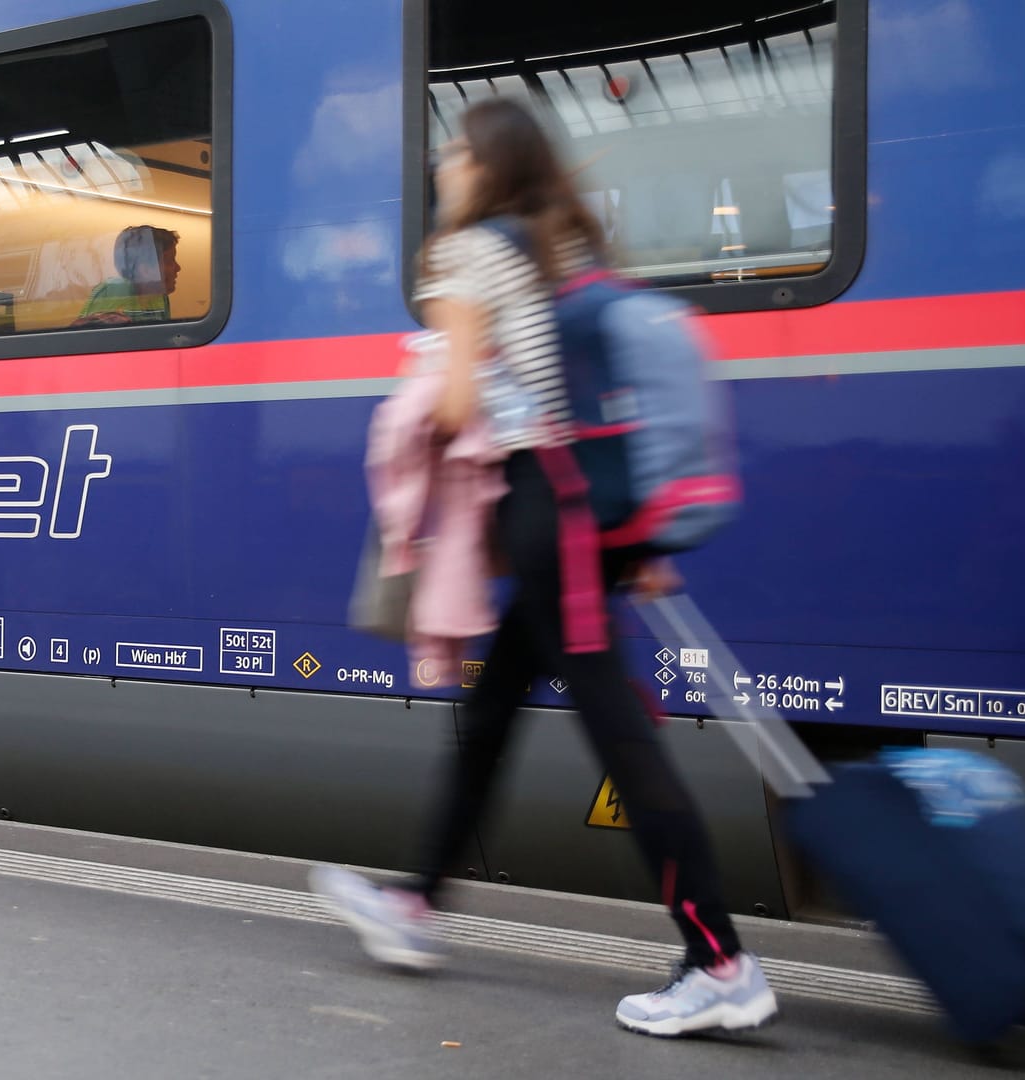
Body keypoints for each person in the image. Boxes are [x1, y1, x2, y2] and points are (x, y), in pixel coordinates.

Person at [310, 97, 779, 1038]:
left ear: (486, 163)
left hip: (548, 515)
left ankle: (720, 961)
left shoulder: (470, 251)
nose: (442, 163)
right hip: (574, 517)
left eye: (454, 149)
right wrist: (627, 536)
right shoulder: (557, 241)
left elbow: (449, 409)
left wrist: (427, 390)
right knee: (490, 715)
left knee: (619, 736)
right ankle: (415, 904)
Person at [73, 225, 180, 326]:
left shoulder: (160, 297)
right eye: (170, 261)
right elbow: (84, 337)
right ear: (144, 269)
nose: (178, 268)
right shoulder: (113, 290)